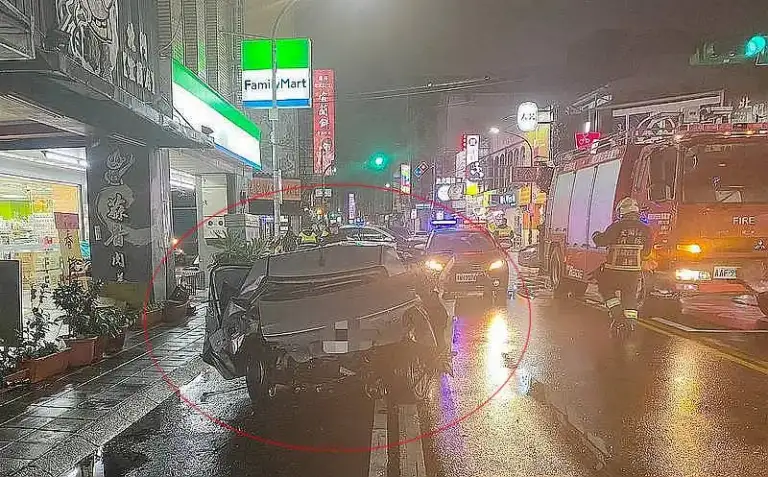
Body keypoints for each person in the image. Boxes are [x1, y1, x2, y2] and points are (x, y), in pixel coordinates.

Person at [591, 197, 653, 330]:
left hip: (614, 271)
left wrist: (595, 235)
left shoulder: (617, 226)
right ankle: (630, 322)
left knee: (605, 288)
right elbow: (647, 252)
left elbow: (602, 241)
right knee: (629, 295)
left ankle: (617, 314)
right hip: (633, 273)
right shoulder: (646, 230)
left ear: (622, 212)